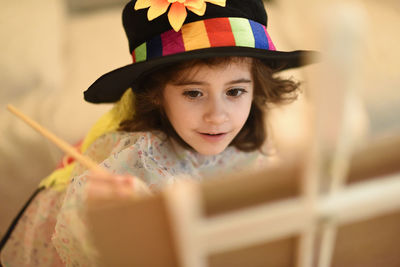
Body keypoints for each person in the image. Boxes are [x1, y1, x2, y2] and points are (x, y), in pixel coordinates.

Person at [0, 0, 317, 265]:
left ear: (256, 89)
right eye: (193, 93)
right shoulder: (135, 161)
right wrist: (102, 213)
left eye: (234, 92)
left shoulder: (251, 136)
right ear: (157, 95)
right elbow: (80, 240)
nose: (218, 116)